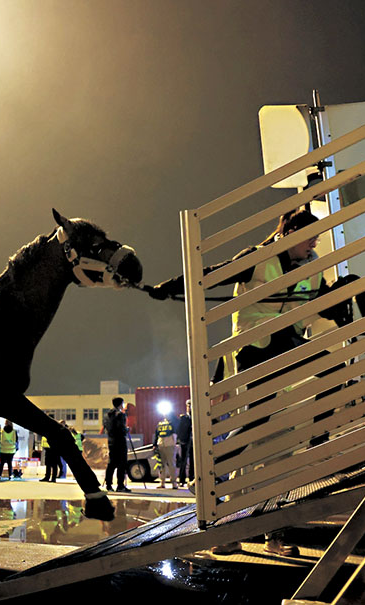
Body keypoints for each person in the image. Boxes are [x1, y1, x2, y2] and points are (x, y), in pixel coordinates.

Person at [150, 209, 354, 556]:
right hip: (256, 351)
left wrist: (344, 293)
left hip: (287, 351)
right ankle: (229, 521)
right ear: (289, 232)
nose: (314, 243)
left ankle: (276, 528)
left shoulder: (314, 269)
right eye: (310, 236)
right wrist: (172, 286)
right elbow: (211, 275)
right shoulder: (256, 258)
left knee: (285, 440)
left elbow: (317, 309)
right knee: (255, 433)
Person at [103, 397, 131, 493]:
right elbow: (121, 429)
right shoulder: (120, 415)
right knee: (121, 464)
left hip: (111, 441)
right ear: (120, 404)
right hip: (120, 442)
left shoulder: (106, 415)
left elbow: (107, 427)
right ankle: (120, 486)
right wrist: (126, 429)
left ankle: (109, 485)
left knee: (111, 464)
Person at [153, 414, 178, 489]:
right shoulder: (160, 423)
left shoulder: (174, 422)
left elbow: (176, 432)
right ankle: (162, 482)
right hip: (161, 445)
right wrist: (154, 444)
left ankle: (174, 482)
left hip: (170, 445)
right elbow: (156, 434)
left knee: (171, 464)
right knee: (161, 465)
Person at [177, 400, 194, 485]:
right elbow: (180, 430)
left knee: (193, 462)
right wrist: (181, 440)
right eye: (188, 406)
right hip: (185, 442)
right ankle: (182, 480)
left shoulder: (195, 418)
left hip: (193, 442)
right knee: (183, 461)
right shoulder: (184, 418)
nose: (189, 408)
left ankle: (192, 478)